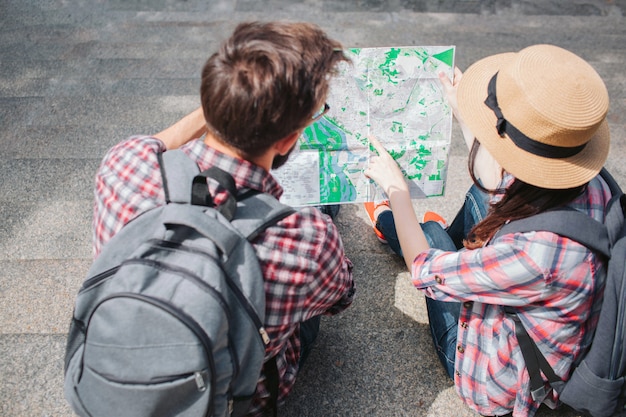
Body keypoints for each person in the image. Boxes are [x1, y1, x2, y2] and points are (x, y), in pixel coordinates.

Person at [92, 21, 355, 416]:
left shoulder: (124, 164)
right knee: (307, 299)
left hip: (111, 378)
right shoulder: (309, 238)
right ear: (287, 139)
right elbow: (340, 297)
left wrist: (231, 101)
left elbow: (160, 141)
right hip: (233, 400)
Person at [363, 44, 612, 417]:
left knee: (430, 234)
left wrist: (396, 190)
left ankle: (391, 223)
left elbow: (424, 269)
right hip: (541, 309)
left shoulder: (533, 254)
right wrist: (466, 115)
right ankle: (413, 231)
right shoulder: (594, 183)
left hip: (496, 385)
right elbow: (505, 175)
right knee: (470, 203)